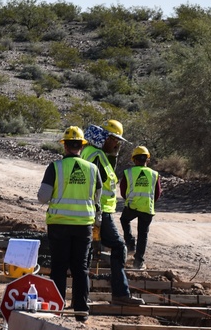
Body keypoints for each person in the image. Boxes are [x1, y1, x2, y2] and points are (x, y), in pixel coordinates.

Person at [38, 125, 102, 322]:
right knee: (80, 268)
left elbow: (43, 197)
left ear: (65, 146)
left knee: (59, 266)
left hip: (59, 225)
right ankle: (81, 312)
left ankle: (57, 309)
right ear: (81, 147)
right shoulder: (92, 169)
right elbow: (98, 197)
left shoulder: (55, 167)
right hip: (83, 226)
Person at [81, 119, 145, 306]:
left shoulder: (93, 153)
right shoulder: (97, 156)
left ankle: (81, 298)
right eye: (115, 139)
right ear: (106, 138)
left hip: (95, 211)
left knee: (88, 252)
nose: (117, 144)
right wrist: (97, 214)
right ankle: (120, 294)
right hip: (99, 212)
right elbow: (93, 185)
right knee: (118, 247)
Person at [120, 146, 161, 271]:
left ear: (134, 160)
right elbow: (158, 192)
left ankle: (130, 243)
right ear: (147, 160)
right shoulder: (154, 174)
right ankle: (139, 262)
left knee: (124, 220)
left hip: (132, 206)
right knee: (143, 234)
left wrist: (130, 199)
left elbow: (123, 191)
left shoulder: (128, 173)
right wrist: (148, 202)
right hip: (147, 208)